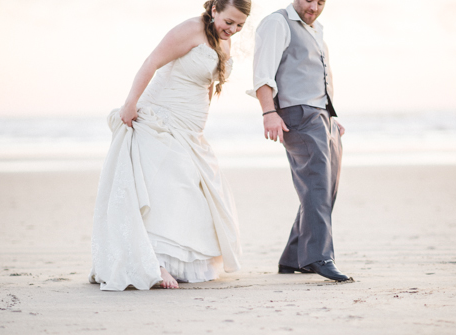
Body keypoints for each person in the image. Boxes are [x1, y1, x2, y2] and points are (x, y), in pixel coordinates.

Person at [89, 0, 250, 291]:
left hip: (189, 131)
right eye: (229, 22)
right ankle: (155, 261)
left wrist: (197, 128)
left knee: (197, 193)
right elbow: (152, 62)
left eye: (240, 25)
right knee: (170, 188)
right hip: (160, 119)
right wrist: (130, 104)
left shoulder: (223, 42)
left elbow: (207, 90)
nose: (233, 30)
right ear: (214, 9)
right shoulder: (191, 29)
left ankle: (180, 261)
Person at [249, 0, 353, 282]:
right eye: (309, 0)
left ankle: (295, 257)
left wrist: (330, 115)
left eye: (321, 2)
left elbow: (318, 76)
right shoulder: (277, 23)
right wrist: (268, 112)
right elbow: (263, 74)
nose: (314, 7)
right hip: (297, 112)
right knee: (317, 184)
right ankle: (319, 256)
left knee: (325, 188)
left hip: (322, 116)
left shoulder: (317, 28)